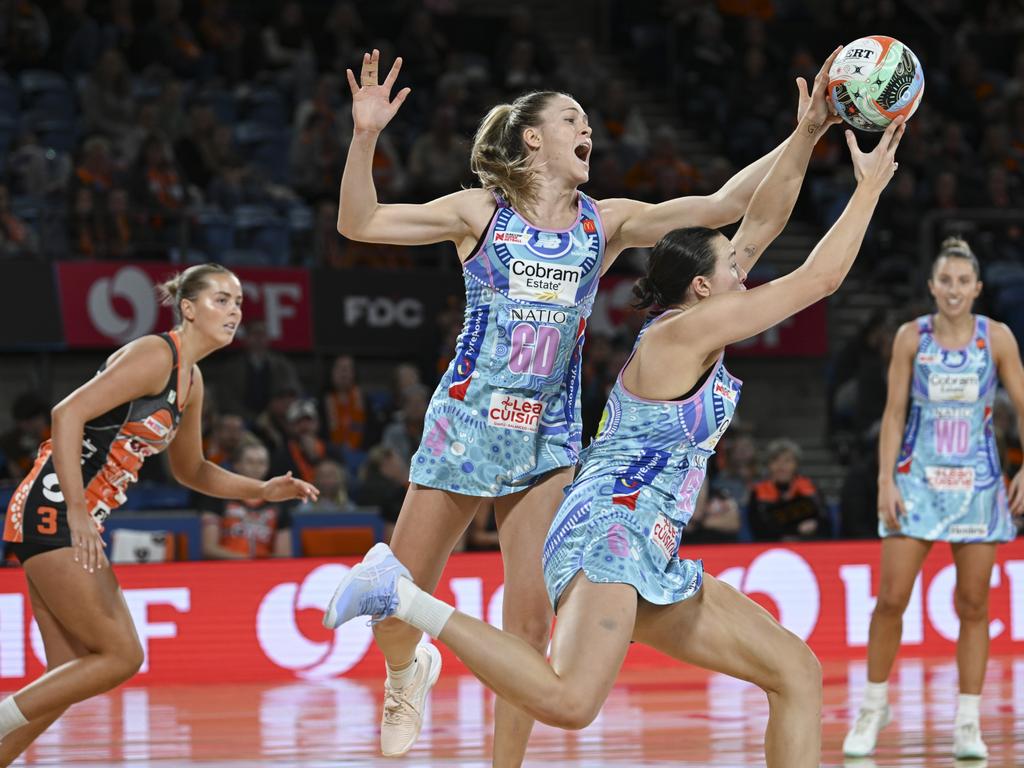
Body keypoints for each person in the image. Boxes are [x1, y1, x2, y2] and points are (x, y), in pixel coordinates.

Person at [325, 100, 905, 768]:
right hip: (470, 425)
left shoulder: (606, 223)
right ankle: (405, 670)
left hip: (546, 439)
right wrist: (365, 136)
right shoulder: (481, 213)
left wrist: (805, 132)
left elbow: (728, 207)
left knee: (534, 626)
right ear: (533, 136)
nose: (588, 129)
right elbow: (358, 221)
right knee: (397, 612)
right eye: (572, 119)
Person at [0, 263, 317, 766]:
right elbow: (66, 414)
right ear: (187, 309)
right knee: (122, 655)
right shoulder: (155, 354)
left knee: (64, 676)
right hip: (56, 509)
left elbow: (193, 471)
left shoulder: (191, 381)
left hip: (64, 515)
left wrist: (263, 488)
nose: (234, 311)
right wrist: (79, 513)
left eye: (238, 302)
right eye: (220, 300)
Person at [842, 236, 1024, 760]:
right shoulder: (909, 338)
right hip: (917, 481)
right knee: (891, 599)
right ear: (931, 285)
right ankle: (874, 707)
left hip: (980, 485)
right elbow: (894, 413)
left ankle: (968, 722)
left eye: (963, 282)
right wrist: (884, 480)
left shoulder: (999, 339)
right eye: (945, 280)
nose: (954, 290)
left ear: (978, 289)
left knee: (973, 605)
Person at [198, 441, 294, 559]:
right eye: (250, 462)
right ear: (237, 464)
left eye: (261, 462)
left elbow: (283, 554)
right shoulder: (217, 497)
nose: (256, 467)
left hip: (265, 572)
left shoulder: (278, 503)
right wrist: (247, 562)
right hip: (226, 570)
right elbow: (209, 549)